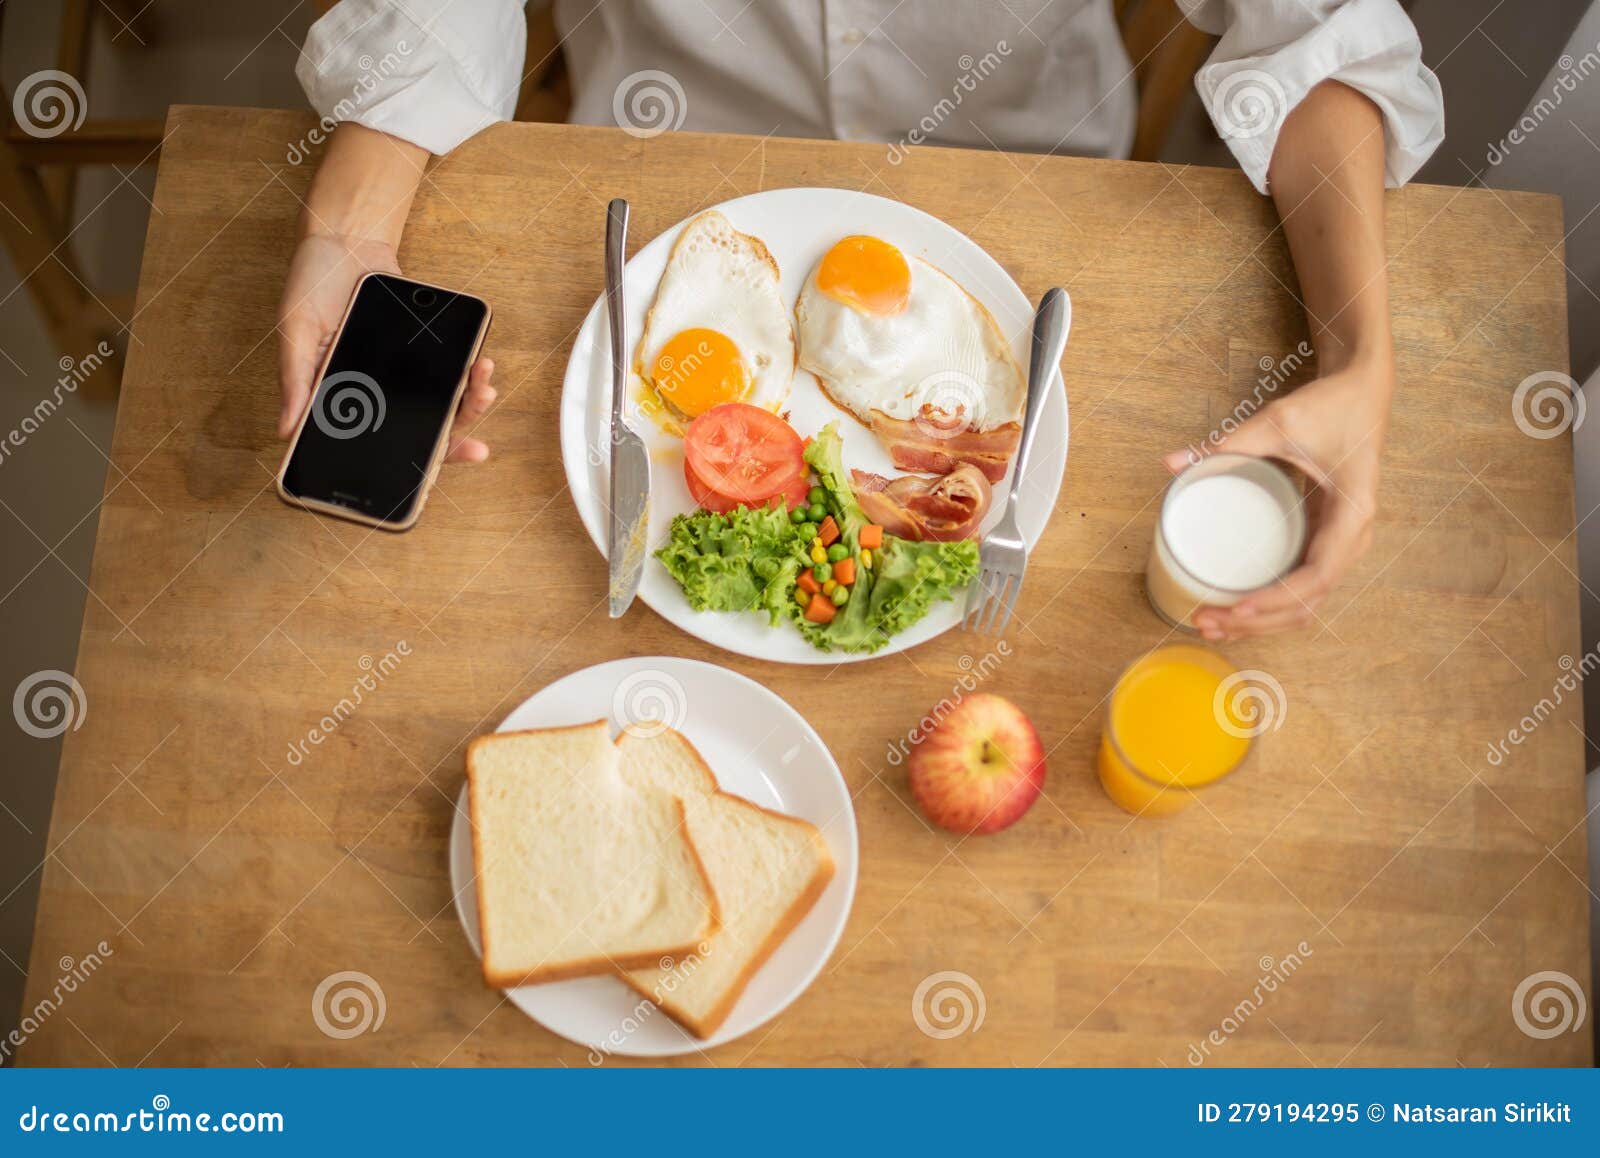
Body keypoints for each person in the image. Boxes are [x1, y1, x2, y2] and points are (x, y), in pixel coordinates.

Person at [281, 0, 1444, 641]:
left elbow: (1318, 34)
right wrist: (350, 237)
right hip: (664, 139)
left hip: (1038, 177)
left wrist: (1362, 357)